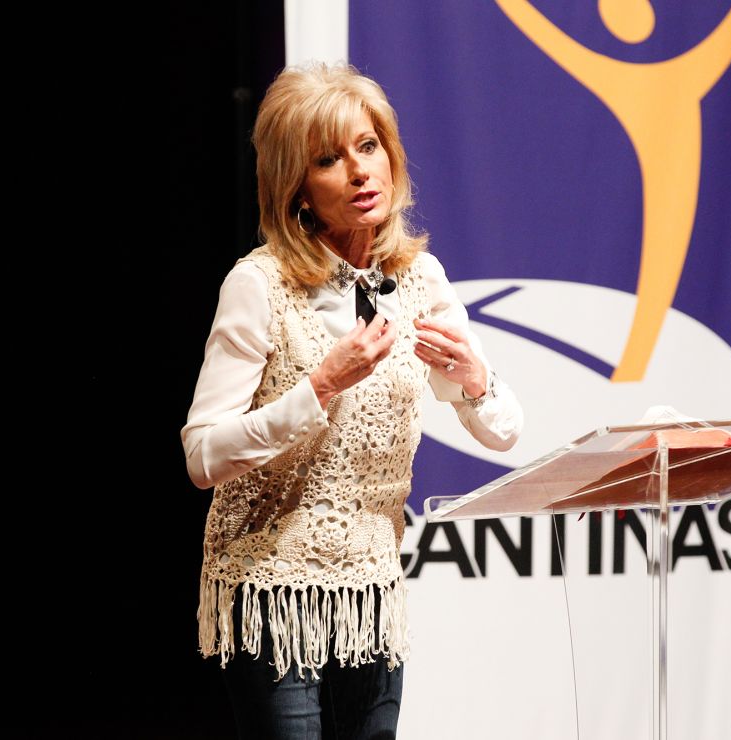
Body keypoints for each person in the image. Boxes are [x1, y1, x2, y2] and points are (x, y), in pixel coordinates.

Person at [181, 62, 523, 740]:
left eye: (369, 147)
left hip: (371, 594)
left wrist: (476, 379)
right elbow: (202, 454)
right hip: (273, 593)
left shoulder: (419, 278)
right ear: (298, 189)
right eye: (329, 159)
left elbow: (504, 431)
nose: (360, 171)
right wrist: (320, 387)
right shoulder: (260, 287)